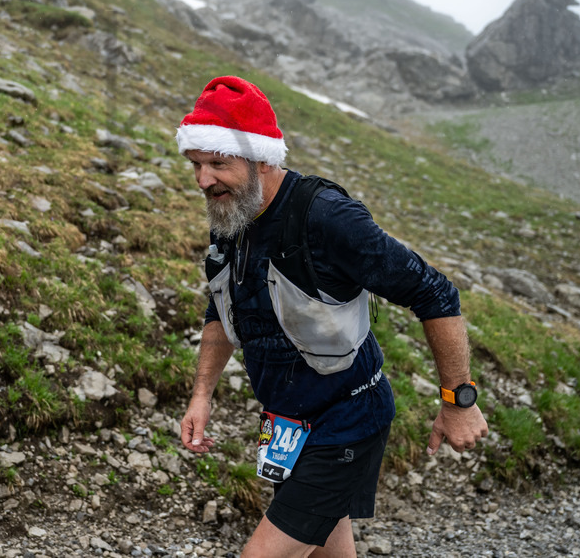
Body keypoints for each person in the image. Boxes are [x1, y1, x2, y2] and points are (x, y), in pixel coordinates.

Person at [175, 76, 488, 558]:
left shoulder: (327, 217)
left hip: (347, 420)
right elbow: (220, 307)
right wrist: (201, 396)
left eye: (218, 163)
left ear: (263, 159)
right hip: (286, 425)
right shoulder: (232, 213)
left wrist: (458, 400)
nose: (203, 180)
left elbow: (434, 291)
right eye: (196, 164)